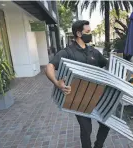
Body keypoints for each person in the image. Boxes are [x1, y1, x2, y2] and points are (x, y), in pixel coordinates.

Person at [45, 20, 110, 148]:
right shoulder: (68, 52)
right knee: (86, 130)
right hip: (78, 99)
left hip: (97, 95)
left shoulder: (94, 52)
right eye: (88, 32)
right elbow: (49, 67)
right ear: (79, 33)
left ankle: (98, 145)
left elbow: (107, 64)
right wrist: (57, 83)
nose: (90, 35)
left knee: (106, 123)